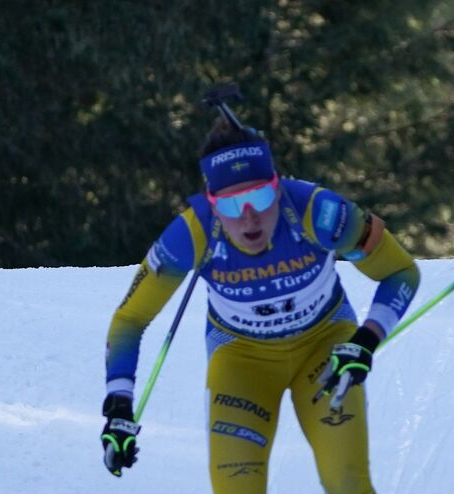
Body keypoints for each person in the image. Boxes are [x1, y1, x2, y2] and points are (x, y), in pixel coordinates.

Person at [100, 118, 421, 493]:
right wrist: (118, 407)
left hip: (326, 348)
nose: (249, 216)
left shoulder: (319, 212)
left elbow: (401, 273)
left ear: (278, 187)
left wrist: (367, 339)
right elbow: (130, 319)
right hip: (242, 360)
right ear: (211, 203)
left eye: (261, 196)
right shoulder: (192, 233)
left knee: (347, 483)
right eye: (232, 204)